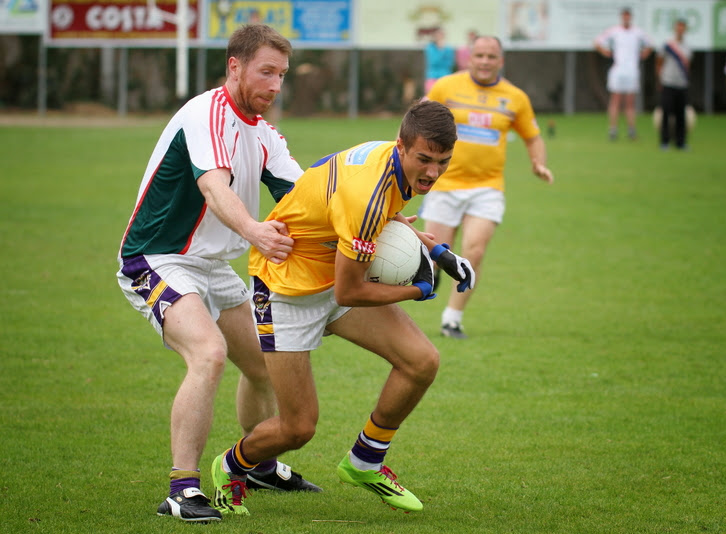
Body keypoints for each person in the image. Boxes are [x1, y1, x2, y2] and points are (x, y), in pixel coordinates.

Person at [208, 100, 476, 514]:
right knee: (298, 428)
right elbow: (350, 293)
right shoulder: (365, 194)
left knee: (421, 360)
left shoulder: (391, 164)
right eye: (424, 160)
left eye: (443, 161)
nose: (433, 173)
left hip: (334, 268)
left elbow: (388, 222)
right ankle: (231, 466)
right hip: (287, 285)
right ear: (401, 145)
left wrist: (439, 251)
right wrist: (419, 290)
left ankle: (366, 460)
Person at [116, 24, 320, 523]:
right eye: (266, 72)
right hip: (157, 257)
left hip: (212, 264)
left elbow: (311, 196)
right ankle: (181, 491)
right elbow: (213, 186)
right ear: (235, 66)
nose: (275, 85)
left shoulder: (264, 132)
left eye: (282, 75)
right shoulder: (204, 113)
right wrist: (255, 230)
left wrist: (376, 219)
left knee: (264, 362)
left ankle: (257, 465)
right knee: (208, 354)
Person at [422, 35, 553, 339]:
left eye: (491, 56)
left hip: (487, 188)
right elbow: (419, 119)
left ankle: (452, 319)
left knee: (475, 252)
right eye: (479, 55)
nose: (484, 61)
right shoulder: (446, 87)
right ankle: (438, 269)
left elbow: (533, 136)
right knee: (437, 254)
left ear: (500, 61)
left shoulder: (515, 97)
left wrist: (539, 163)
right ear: (470, 58)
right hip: (445, 184)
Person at [594, 7, 653, 141]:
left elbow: (650, 44)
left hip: (632, 71)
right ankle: (613, 129)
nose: (626, 18)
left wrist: (645, 53)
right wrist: (605, 52)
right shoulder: (614, 31)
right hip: (618, 70)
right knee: (615, 100)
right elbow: (597, 42)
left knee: (630, 102)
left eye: (628, 16)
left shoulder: (638, 32)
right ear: (622, 17)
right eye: (624, 16)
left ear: (630, 17)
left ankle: (631, 129)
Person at [656, 18, 692, 150]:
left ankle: (680, 142)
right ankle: (664, 141)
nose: (680, 29)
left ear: (685, 29)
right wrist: (660, 78)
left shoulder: (688, 47)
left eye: (683, 27)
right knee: (666, 112)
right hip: (668, 82)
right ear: (675, 28)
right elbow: (659, 61)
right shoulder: (668, 44)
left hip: (681, 84)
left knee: (681, 114)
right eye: (678, 27)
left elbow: (687, 65)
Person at [424, 28, 455, 94]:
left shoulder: (449, 49)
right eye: (438, 35)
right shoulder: (430, 48)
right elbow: (433, 62)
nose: (439, 36)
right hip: (432, 77)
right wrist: (441, 50)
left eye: (441, 34)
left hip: (445, 77)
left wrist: (442, 50)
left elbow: (450, 63)